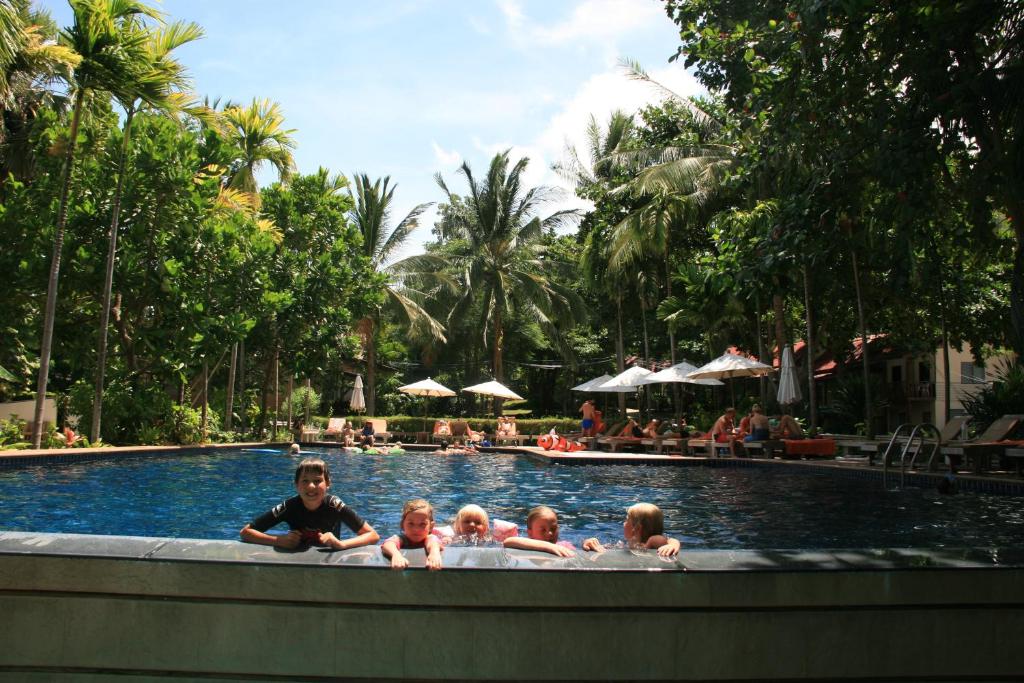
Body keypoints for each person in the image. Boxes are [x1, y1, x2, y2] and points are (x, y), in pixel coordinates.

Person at [240, 458, 380, 550]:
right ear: (296, 485)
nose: (311, 486)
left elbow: (373, 535)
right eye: (305, 481)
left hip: (329, 563)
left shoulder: (334, 505)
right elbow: (246, 532)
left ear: (328, 484)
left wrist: (342, 544)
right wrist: (279, 540)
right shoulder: (289, 506)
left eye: (318, 481)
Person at [582, 503, 681, 557]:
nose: (623, 523)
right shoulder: (626, 544)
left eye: (627, 520)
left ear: (636, 528)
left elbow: (669, 540)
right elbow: (603, 548)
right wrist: (589, 543)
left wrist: (673, 545)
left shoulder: (652, 541)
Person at [380, 499, 443, 570]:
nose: (416, 529)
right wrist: (396, 555)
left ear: (431, 526)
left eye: (422, 524)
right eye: (411, 524)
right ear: (402, 525)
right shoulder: (402, 538)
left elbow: (433, 543)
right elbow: (388, 544)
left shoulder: (430, 538)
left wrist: (434, 553)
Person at [503, 505, 575, 557]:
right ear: (530, 533)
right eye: (543, 530)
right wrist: (548, 546)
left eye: (553, 529)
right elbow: (508, 541)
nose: (550, 533)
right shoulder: (526, 544)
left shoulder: (564, 546)